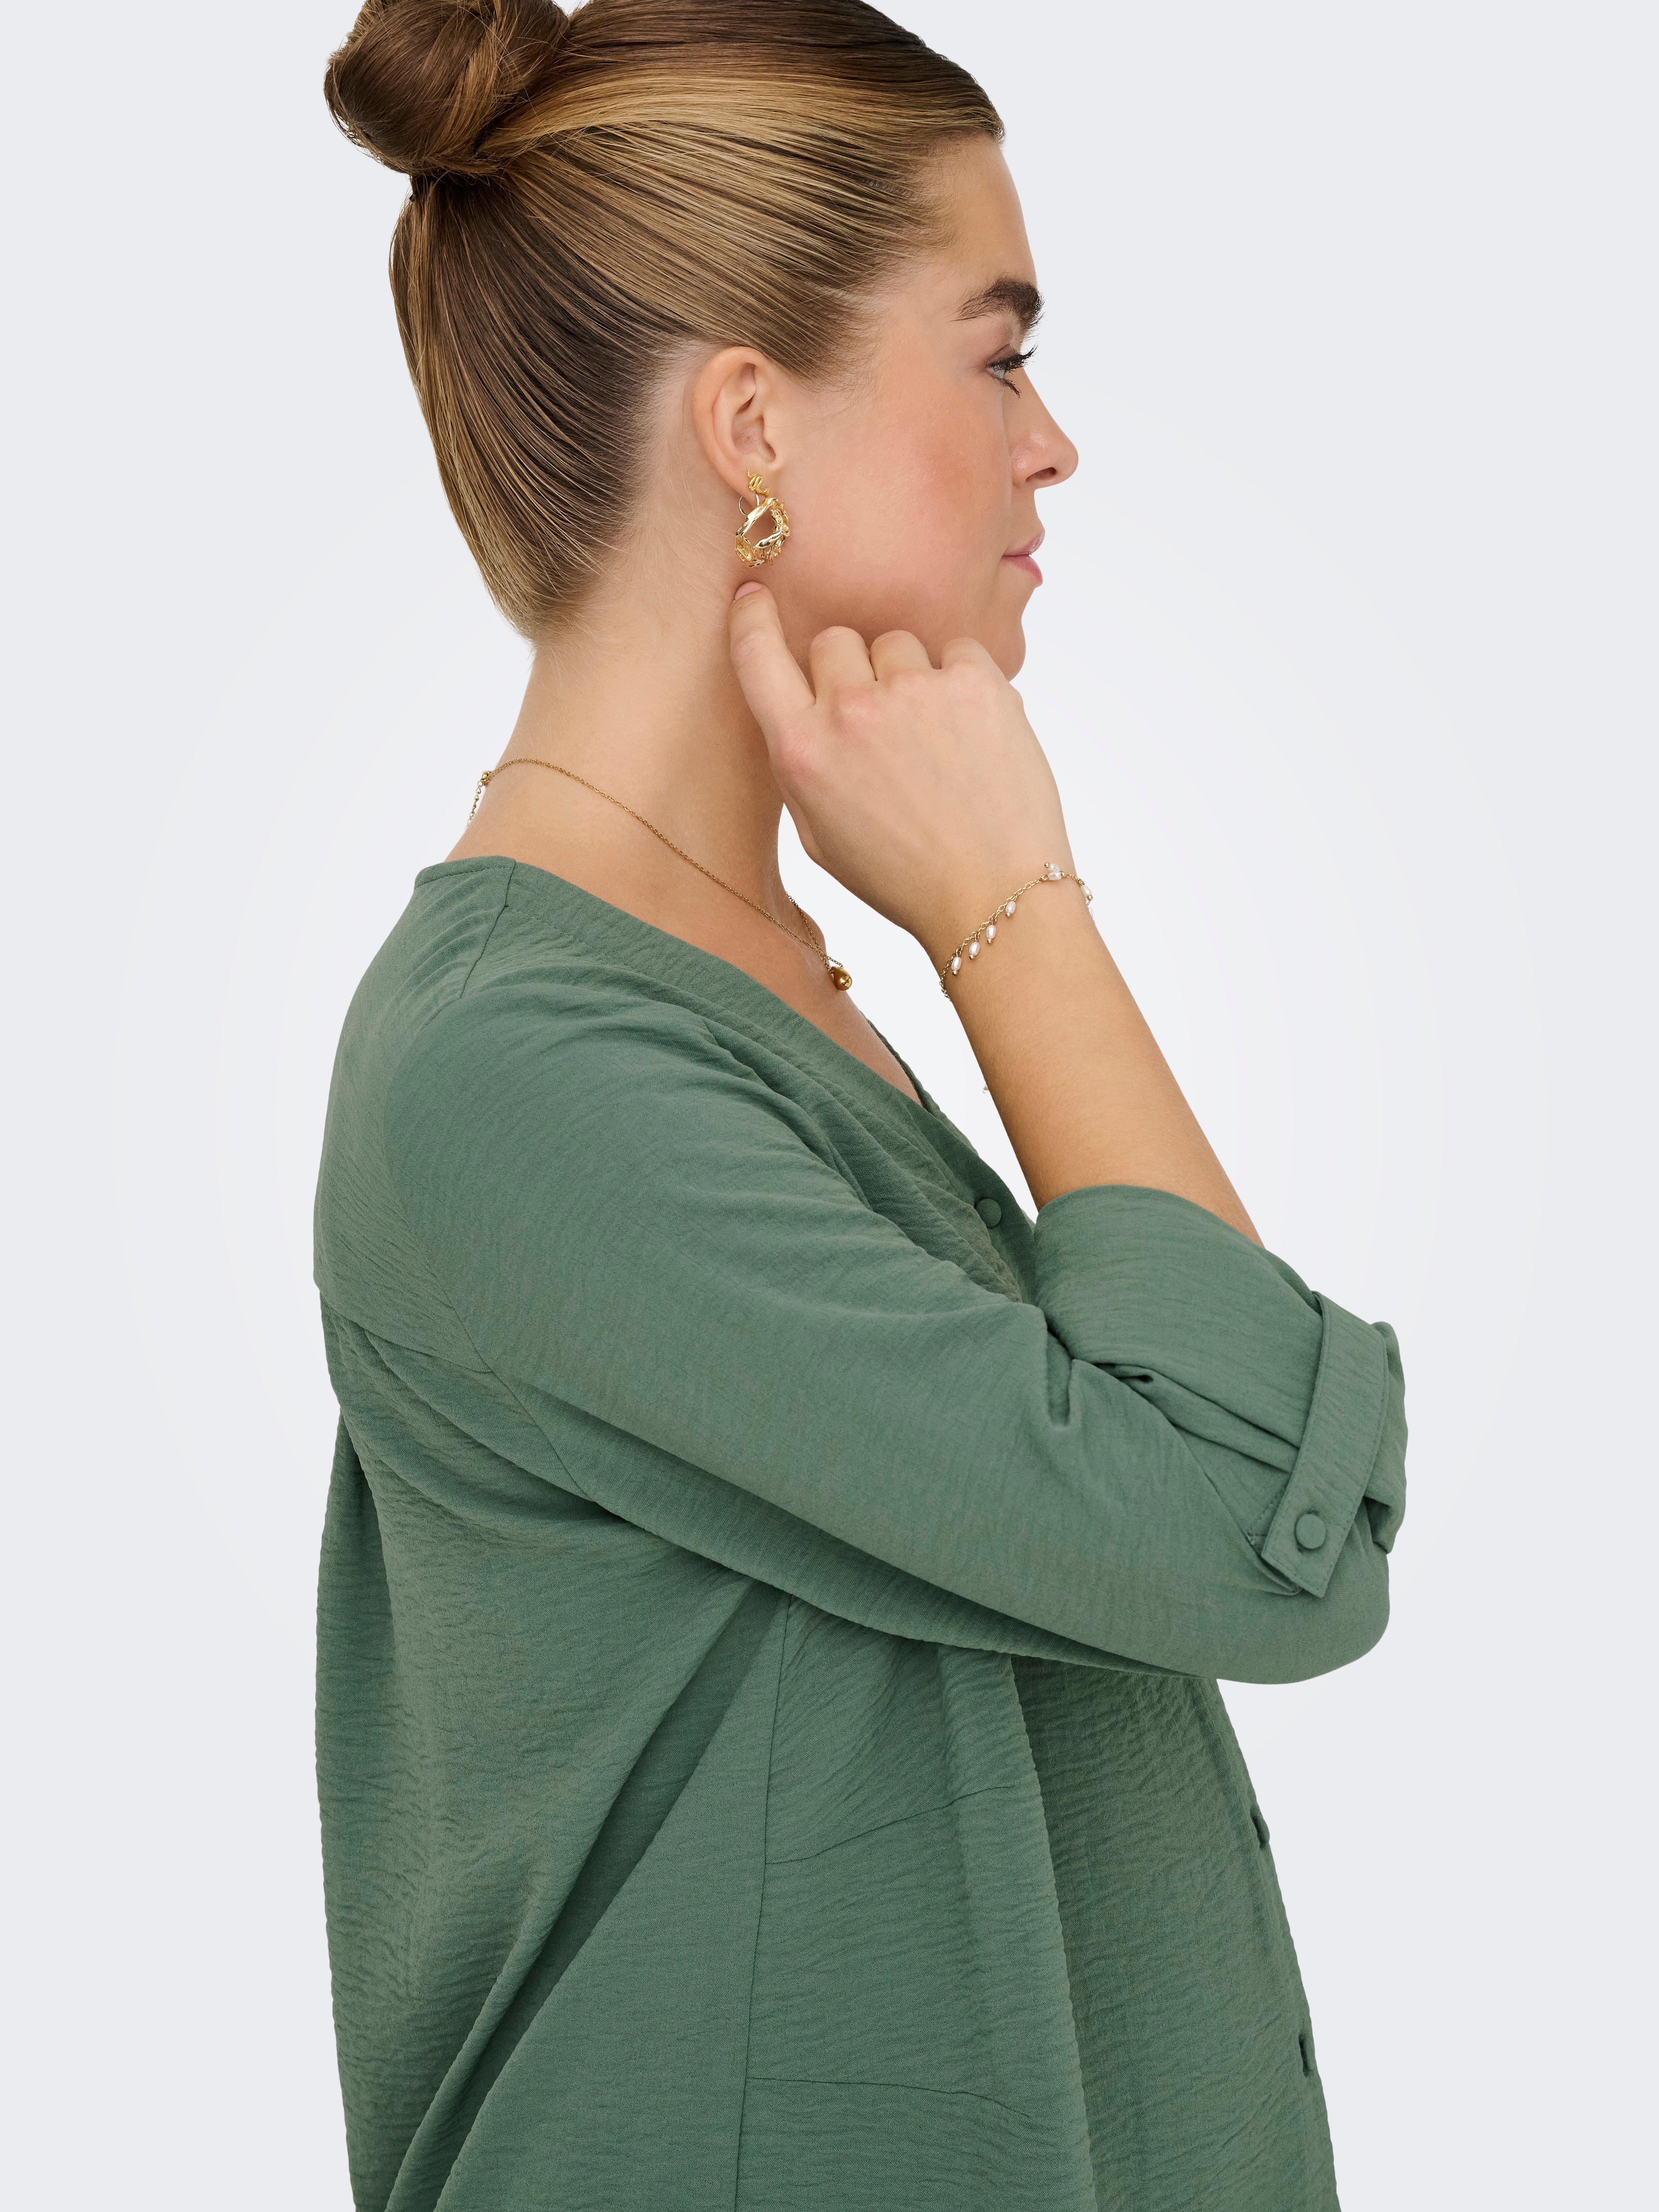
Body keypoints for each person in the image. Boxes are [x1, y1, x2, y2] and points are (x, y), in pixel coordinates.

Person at [311, 2, 1408, 2207]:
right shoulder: (520, 1073)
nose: (1053, 445)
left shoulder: (762, 986)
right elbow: (1249, 1532)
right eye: (999, 355)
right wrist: (1018, 910)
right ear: (750, 422)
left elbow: (1257, 1503)